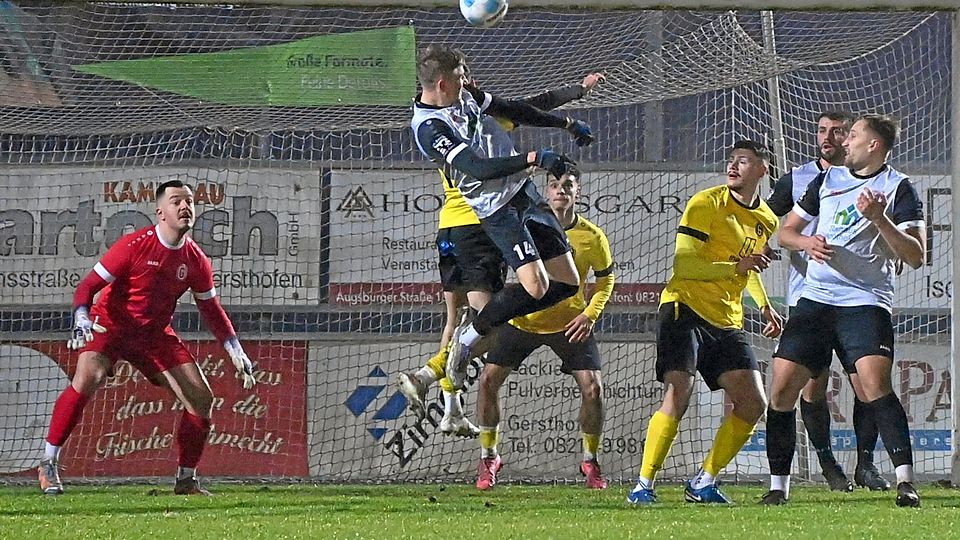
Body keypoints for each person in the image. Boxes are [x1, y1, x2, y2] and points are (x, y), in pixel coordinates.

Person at [398, 62, 604, 438]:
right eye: (462, 77)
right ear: (443, 83)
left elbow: (524, 106)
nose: (471, 81)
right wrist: (534, 157)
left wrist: (571, 115)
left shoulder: (472, 103)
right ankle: (445, 386)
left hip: (521, 193)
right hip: (474, 220)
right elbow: (476, 166)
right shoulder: (431, 126)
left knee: (566, 282)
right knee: (473, 312)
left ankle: (447, 371)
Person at [37, 180, 256, 496]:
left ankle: (186, 481)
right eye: (176, 201)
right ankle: (48, 462)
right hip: (110, 326)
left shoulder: (196, 260)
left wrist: (234, 347)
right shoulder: (133, 246)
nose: (184, 207)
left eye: (189, 202)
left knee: (202, 400)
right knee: (89, 376)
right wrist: (81, 317)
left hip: (153, 335)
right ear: (160, 212)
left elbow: (211, 308)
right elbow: (86, 288)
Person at [760, 114, 925, 507]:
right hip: (814, 301)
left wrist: (879, 219)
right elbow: (785, 232)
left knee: (874, 387)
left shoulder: (897, 187)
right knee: (781, 390)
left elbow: (916, 256)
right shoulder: (827, 180)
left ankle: (905, 482)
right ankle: (777, 488)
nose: (844, 142)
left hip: (864, 302)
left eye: (852, 136)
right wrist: (806, 243)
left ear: (874, 146)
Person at [626, 140, 783, 505]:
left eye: (743, 161)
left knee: (752, 403)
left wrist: (762, 305)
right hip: (684, 308)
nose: (733, 166)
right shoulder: (705, 203)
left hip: (727, 318)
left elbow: (750, 264)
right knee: (678, 391)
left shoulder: (767, 219)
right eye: (731, 161)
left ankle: (703, 482)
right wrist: (737, 267)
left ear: (763, 169)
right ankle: (643, 486)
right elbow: (684, 266)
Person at [472, 168, 615, 490]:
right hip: (524, 320)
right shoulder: (525, 228)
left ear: (578, 192)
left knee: (593, 389)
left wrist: (590, 314)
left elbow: (606, 280)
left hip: (570, 323)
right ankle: (489, 456)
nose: (561, 191)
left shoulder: (592, 236)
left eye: (568, 186)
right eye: (554, 185)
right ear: (546, 193)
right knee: (487, 381)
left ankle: (590, 461)